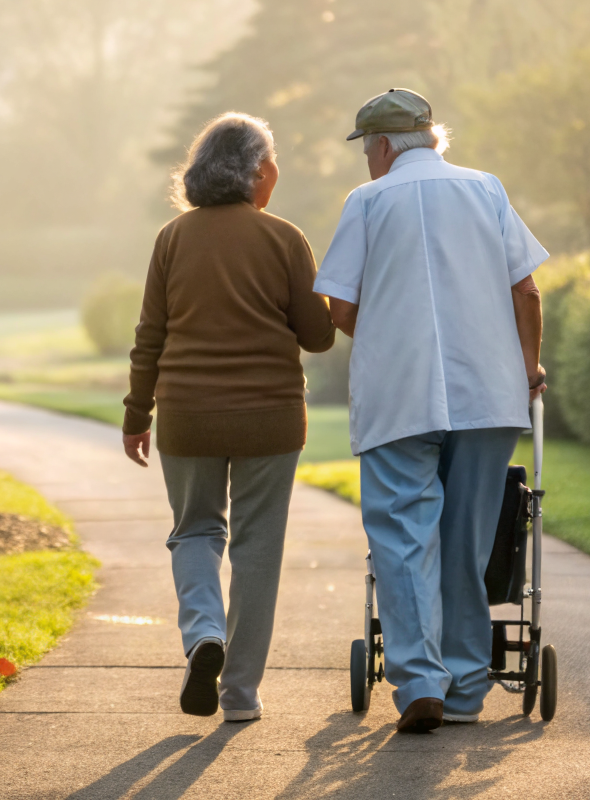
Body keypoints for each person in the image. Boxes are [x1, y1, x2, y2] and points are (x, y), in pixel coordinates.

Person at [314, 88, 548, 734]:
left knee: (401, 534)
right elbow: (525, 291)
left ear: (382, 146)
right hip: (487, 395)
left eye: (367, 149)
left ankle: (419, 680)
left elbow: (337, 309)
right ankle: (467, 689)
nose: (367, 161)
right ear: (430, 138)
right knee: (467, 544)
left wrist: (391, 339)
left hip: (399, 397)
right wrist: (527, 368)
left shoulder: (367, 201)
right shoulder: (485, 189)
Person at [122, 113, 336, 722]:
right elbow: (317, 337)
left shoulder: (172, 238)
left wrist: (138, 415)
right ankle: (240, 694)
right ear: (259, 172)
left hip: (188, 415)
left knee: (194, 531)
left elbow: (149, 337)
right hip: (270, 418)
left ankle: (203, 636)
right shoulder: (285, 238)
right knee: (257, 548)